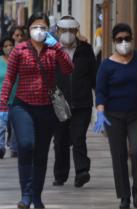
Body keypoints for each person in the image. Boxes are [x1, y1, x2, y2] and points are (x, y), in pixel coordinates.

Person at [0, 12, 73, 209]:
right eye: (35, 27)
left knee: (41, 153)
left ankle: (37, 196)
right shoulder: (19, 50)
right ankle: (26, 194)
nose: (39, 30)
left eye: (43, 27)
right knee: (26, 144)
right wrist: (4, 106)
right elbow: (9, 79)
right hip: (22, 106)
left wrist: (57, 46)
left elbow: (68, 69)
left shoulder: (53, 50)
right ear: (29, 29)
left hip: (46, 108)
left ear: (48, 30)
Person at [93, 23, 137, 209]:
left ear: (132, 38)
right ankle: (124, 195)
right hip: (113, 115)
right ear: (114, 42)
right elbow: (100, 91)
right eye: (119, 39)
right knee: (119, 155)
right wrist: (100, 111)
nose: (124, 42)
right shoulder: (106, 65)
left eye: (127, 38)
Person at [52, 16, 97, 188]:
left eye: (71, 30)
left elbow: (94, 75)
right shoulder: (53, 51)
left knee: (78, 138)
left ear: (77, 31)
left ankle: (82, 172)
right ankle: (60, 175)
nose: (68, 34)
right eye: (64, 31)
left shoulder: (85, 50)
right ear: (58, 31)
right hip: (59, 102)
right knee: (61, 140)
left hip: (82, 102)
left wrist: (100, 100)